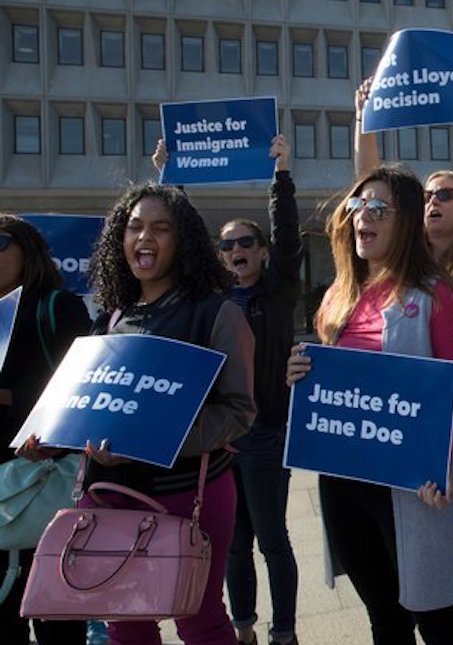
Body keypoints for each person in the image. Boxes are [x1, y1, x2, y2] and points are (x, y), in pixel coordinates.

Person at [285, 165, 453, 644]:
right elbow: (331, 387)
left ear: (407, 221)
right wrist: (301, 376)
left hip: (413, 486)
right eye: (356, 206)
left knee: (441, 622)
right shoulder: (337, 296)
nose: (361, 217)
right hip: (345, 483)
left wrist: (437, 464)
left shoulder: (439, 295)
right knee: (384, 620)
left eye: (377, 209)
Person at [75, 183, 255, 645]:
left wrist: (155, 440)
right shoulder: (112, 317)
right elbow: (96, 406)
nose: (144, 238)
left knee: (200, 620)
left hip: (187, 498)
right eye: (134, 227)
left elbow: (238, 412)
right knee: (124, 621)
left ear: (184, 241)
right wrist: (55, 436)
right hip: (113, 496)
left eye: (160, 228)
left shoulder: (216, 314)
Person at [152, 134, 303, 645]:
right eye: (227, 244)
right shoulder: (210, 298)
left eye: (245, 243)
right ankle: (244, 630)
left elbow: (288, 236)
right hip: (219, 441)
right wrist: (170, 181)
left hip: (264, 436)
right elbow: (178, 239)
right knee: (231, 546)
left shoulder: (277, 291)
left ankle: (284, 632)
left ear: (260, 252)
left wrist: (281, 172)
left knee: (272, 541)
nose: (235, 250)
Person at [355, 75, 453, 485]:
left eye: (444, 195)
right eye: (427, 195)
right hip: (414, 398)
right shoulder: (407, 256)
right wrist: (364, 121)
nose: (432, 201)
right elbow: (369, 190)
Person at [0, 215, 91, 645]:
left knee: (57, 623)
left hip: (41, 484)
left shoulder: (57, 307)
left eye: (0, 242)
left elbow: (83, 396)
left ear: (27, 250)